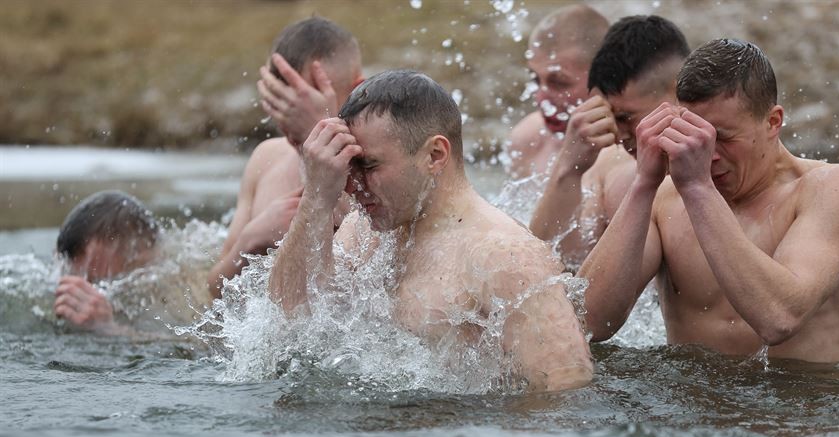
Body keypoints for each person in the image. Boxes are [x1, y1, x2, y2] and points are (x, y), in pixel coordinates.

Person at [268, 70, 594, 391]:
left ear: (435, 155)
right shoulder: (363, 229)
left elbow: (565, 385)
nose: (352, 186)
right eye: (348, 167)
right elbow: (289, 325)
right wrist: (317, 197)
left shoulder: (504, 256)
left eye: (368, 166)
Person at [579, 39, 839, 363]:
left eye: (723, 138)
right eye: (696, 136)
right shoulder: (665, 198)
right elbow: (587, 323)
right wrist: (644, 185)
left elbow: (780, 318)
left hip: (803, 394)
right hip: (687, 394)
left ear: (773, 122)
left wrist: (698, 188)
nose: (707, 155)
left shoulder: (835, 189)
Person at [208, 17, 364, 298]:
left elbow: (372, 268)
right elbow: (215, 291)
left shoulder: (376, 164)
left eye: (308, 103)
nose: (291, 117)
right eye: (282, 102)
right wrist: (250, 241)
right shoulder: (267, 156)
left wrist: (315, 131)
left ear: (356, 92)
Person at [529, 15, 690, 267]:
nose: (619, 134)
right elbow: (552, 275)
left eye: (626, 117)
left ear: (679, 91)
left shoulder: (732, 167)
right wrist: (567, 169)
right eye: (612, 118)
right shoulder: (616, 175)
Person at [505, 4, 609, 180]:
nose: (541, 98)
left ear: (606, 78)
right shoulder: (526, 140)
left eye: (560, 83)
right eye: (535, 80)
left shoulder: (627, 156)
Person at [54, 190, 159, 333]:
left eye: (100, 284)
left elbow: (186, 341)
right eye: (77, 279)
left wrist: (110, 328)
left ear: (143, 259)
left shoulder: (183, 290)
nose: (86, 298)